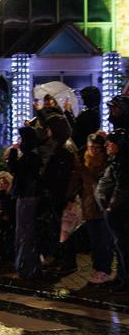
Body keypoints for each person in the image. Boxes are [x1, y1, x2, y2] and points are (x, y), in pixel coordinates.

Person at [39, 114, 77, 275]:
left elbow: (66, 175)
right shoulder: (58, 146)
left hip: (61, 195)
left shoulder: (65, 149)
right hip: (56, 194)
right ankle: (61, 258)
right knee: (58, 228)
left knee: (65, 228)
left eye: (48, 128)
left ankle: (67, 261)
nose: (46, 131)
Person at [95, 129, 129, 292]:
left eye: (111, 142)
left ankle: (125, 280)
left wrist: (111, 207)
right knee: (119, 246)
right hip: (114, 212)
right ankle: (122, 276)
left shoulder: (122, 163)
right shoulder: (116, 161)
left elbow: (122, 188)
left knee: (123, 246)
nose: (107, 145)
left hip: (119, 213)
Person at [8, 126, 43, 280]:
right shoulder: (34, 155)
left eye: (22, 139)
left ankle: (26, 269)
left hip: (27, 197)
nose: (20, 142)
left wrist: (14, 152)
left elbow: (15, 169)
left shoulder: (30, 156)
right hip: (30, 195)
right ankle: (30, 268)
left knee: (24, 234)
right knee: (27, 233)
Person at [79, 132, 114, 284]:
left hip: (103, 207)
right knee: (94, 241)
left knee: (104, 241)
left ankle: (104, 270)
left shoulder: (107, 164)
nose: (93, 149)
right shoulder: (84, 162)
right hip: (89, 207)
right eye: (90, 146)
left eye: (96, 147)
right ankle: (97, 268)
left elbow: (98, 183)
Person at [0, 171, 15, 261]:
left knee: (9, 239)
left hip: (11, 222)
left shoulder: (11, 196)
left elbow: (11, 209)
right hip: (1, 222)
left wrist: (2, 211)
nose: (0, 184)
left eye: (3, 182)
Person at [68, 86, 101, 150]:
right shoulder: (92, 111)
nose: (82, 98)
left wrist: (68, 112)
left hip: (81, 147)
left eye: (84, 97)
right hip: (83, 145)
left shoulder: (91, 113)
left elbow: (76, 126)